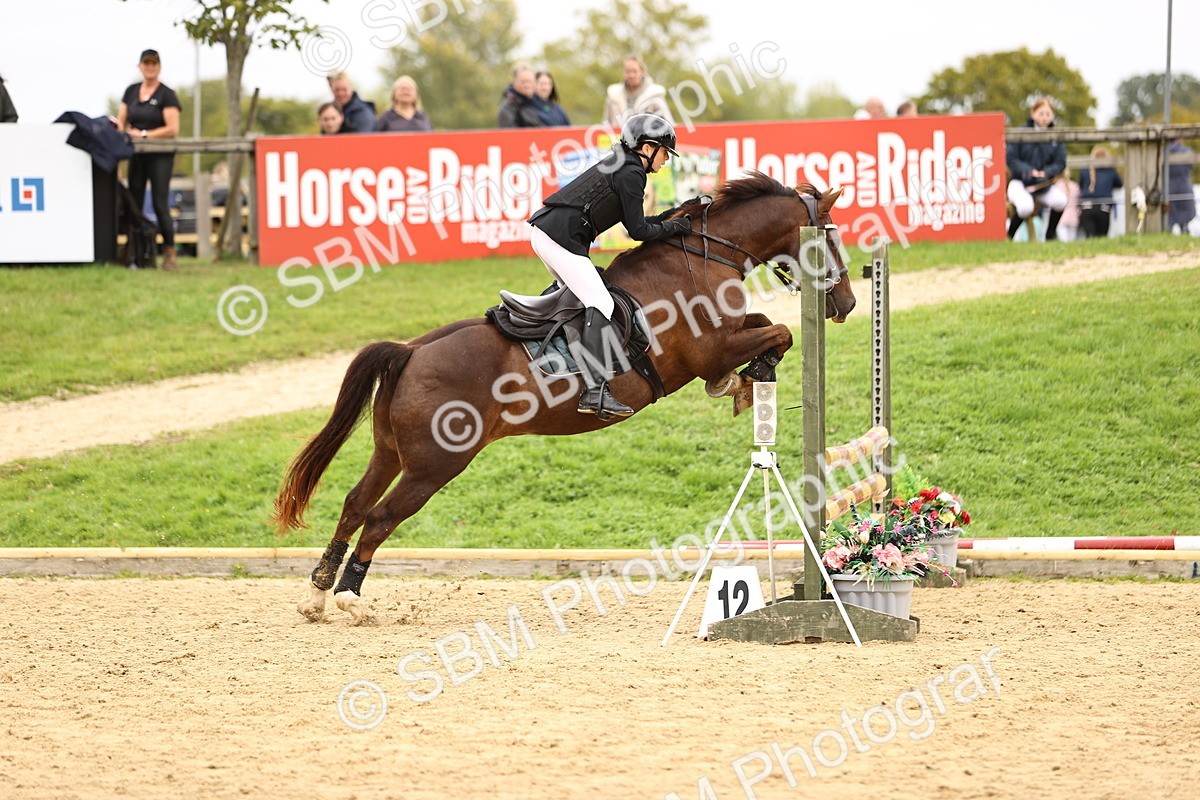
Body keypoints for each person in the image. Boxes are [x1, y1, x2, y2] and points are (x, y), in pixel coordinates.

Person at [526, 114, 691, 420]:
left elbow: (639, 224)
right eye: (665, 152)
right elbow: (639, 233)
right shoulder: (631, 173)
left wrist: (675, 218)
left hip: (547, 232)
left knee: (579, 297)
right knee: (599, 301)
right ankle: (593, 391)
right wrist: (677, 227)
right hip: (558, 237)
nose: (666, 159)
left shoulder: (623, 163)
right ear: (647, 147)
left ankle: (555, 356)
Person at [116, 49, 181, 269]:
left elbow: (173, 128)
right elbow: (121, 122)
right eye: (146, 63)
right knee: (134, 202)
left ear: (159, 66)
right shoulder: (131, 91)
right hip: (137, 155)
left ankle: (169, 251)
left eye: (154, 63)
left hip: (160, 155)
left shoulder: (167, 94)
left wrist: (144, 134)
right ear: (140, 66)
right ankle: (134, 253)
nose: (150, 67)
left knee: (159, 203)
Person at [1005, 97, 1067, 241]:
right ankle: (1009, 236)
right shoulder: (1020, 132)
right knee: (1025, 207)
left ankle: (1050, 235)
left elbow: (1060, 162)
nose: (1044, 117)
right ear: (1033, 114)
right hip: (1020, 181)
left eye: (1048, 114)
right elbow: (1011, 158)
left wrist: (1046, 173)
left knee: (1061, 201)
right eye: (1041, 113)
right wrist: (1028, 171)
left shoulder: (1056, 137)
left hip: (1042, 184)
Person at [602, 56, 672, 128]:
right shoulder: (613, 95)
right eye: (628, 71)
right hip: (617, 138)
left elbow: (668, 124)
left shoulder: (655, 95)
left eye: (634, 71)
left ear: (642, 72)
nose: (631, 75)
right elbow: (605, 125)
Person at [1077, 145, 1123, 239]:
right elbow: (1119, 184)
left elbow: (1081, 185)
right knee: (1101, 238)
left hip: (1087, 208)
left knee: (1090, 238)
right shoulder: (1110, 171)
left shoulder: (1085, 170)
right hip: (1103, 208)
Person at [1167, 138, 1196, 235]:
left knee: (1169, 219)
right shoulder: (1187, 151)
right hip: (1184, 187)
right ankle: (1184, 231)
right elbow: (1190, 167)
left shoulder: (1165, 152)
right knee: (1185, 220)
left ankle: (1167, 237)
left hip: (1169, 188)